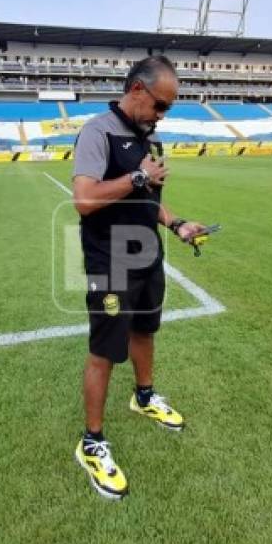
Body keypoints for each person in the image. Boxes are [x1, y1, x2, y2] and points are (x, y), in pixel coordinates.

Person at [70, 56, 206, 500]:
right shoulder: (97, 132)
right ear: (136, 91)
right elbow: (85, 200)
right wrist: (136, 175)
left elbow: (149, 198)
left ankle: (144, 396)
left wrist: (177, 223)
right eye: (160, 105)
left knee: (145, 331)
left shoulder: (152, 139)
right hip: (110, 259)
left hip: (147, 252)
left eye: (168, 108)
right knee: (105, 350)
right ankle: (91, 442)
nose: (162, 115)